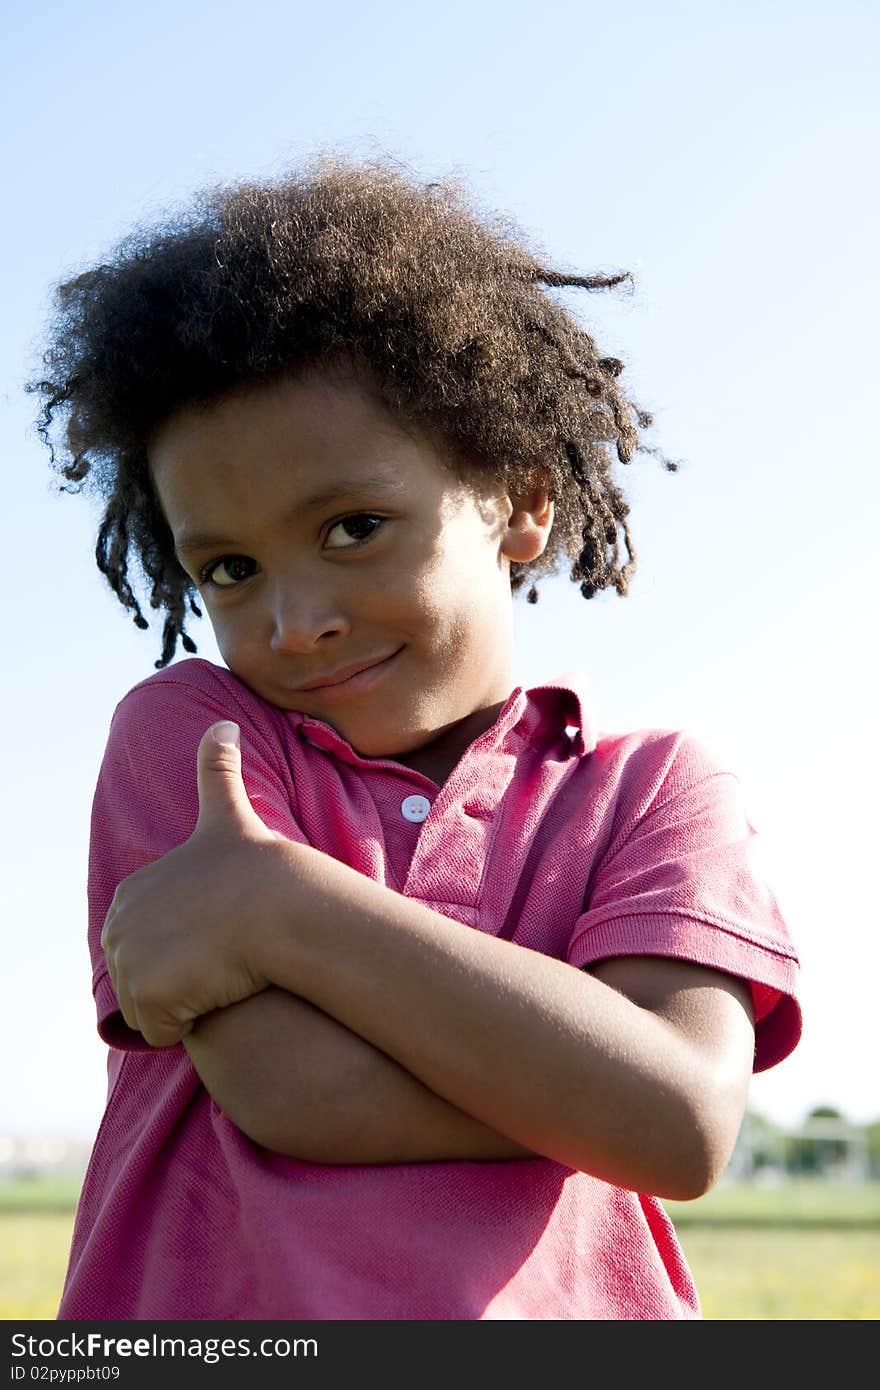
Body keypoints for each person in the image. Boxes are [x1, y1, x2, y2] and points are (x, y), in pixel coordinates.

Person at [32, 155, 801, 1321]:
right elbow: (292, 1090)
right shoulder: (201, 744)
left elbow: (683, 1126)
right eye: (229, 568)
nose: (297, 622)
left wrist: (280, 902)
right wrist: (592, 1086)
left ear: (522, 499)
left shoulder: (655, 788)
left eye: (352, 526)